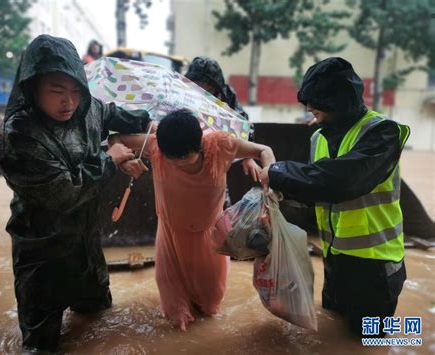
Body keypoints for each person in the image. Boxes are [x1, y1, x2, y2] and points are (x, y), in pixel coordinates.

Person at [0, 34, 153, 352]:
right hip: (42, 250)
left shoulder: (86, 108)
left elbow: (110, 113)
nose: (68, 102)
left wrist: (149, 120)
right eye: (57, 92)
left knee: (98, 315)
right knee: (41, 344)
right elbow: (63, 194)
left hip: (86, 242)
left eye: (74, 91)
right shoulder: (19, 134)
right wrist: (110, 159)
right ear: (33, 87)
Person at [259, 57, 410, 337]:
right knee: (333, 326)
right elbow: (316, 188)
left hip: (374, 265)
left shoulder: (382, 133)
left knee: (371, 338)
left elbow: (341, 181)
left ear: (338, 103)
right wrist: (278, 197)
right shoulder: (319, 137)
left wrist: (278, 172)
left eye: (317, 104)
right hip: (335, 259)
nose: (309, 109)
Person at [111, 108, 275, 331]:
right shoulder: (155, 145)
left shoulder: (220, 146)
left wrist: (270, 173)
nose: (178, 163)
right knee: (174, 312)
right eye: (172, 158)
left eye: (185, 158)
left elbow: (264, 150)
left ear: (199, 144)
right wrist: (122, 161)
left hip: (209, 236)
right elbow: (115, 138)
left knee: (210, 307)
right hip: (170, 235)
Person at [185, 56, 261, 196]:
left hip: (216, 155)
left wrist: (247, 156)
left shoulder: (225, 95)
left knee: (218, 197)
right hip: (188, 155)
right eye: (198, 84)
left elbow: (242, 122)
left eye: (208, 85)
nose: (203, 89)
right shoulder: (182, 95)